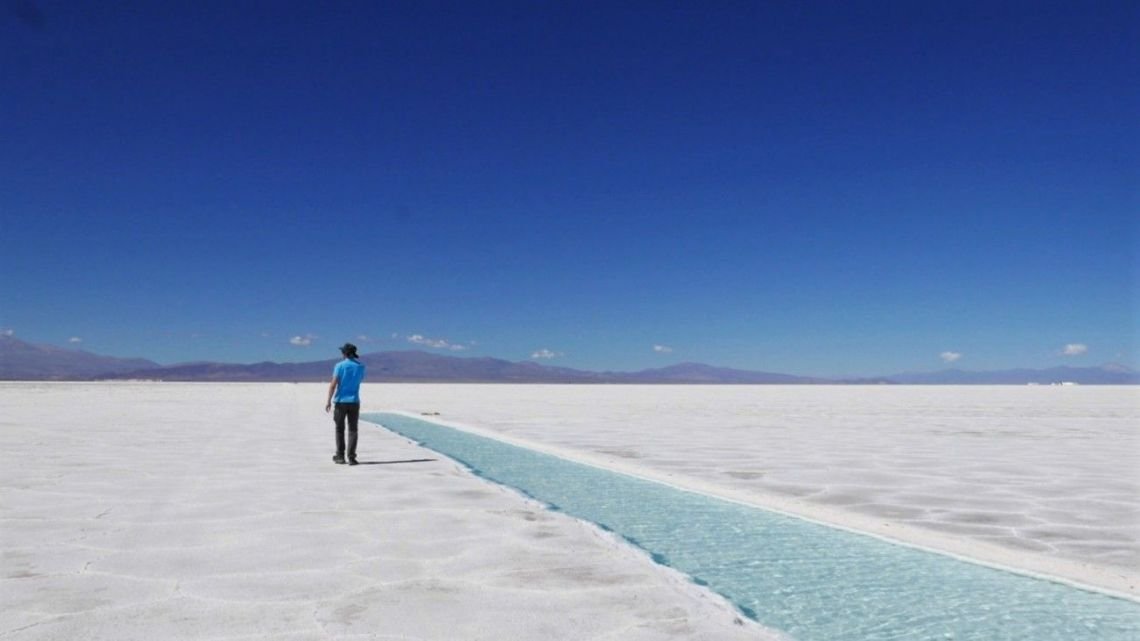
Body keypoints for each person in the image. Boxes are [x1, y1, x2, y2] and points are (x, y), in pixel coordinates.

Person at [325, 342, 366, 465]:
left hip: (341, 401)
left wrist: (328, 400)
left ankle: (340, 456)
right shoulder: (360, 367)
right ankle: (352, 457)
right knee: (353, 430)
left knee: (339, 429)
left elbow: (333, 384)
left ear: (345, 353)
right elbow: (359, 381)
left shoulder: (339, 366)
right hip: (354, 401)